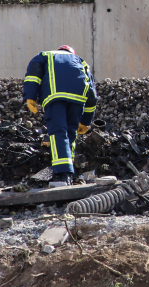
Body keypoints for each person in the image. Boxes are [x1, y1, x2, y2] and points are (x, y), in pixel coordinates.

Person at [23, 45, 97, 186]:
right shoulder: (81, 61)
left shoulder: (46, 55)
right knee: (70, 133)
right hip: (77, 99)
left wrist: (30, 96)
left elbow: (34, 72)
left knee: (58, 132)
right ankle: (69, 171)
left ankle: (62, 175)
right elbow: (92, 94)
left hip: (55, 96)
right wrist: (86, 121)